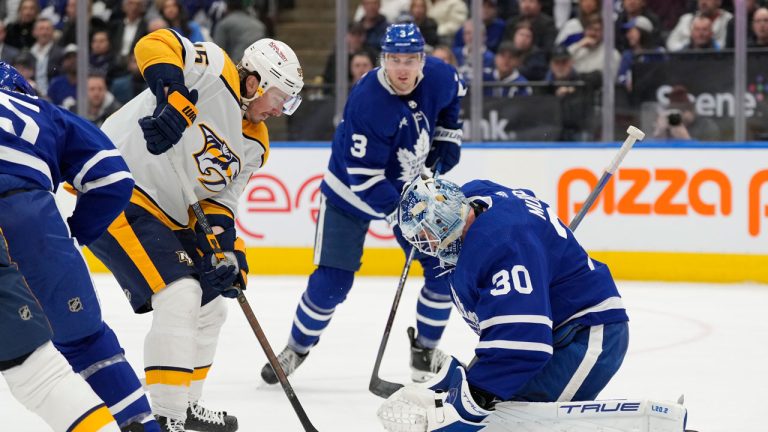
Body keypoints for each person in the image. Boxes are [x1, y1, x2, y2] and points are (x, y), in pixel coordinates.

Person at [89, 29, 304, 432]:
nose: (280, 111)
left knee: (212, 304)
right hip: (115, 186)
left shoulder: (256, 142)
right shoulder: (214, 69)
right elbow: (153, 44)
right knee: (180, 294)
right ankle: (163, 417)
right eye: (280, 99)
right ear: (256, 82)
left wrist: (227, 254)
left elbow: (220, 201)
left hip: (166, 209)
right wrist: (174, 96)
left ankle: (184, 405)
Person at [259, 23, 465, 387]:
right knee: (332, 284)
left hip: (409, 191)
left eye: (411, 59)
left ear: (423, 59)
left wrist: (449, 134)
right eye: (394, 59)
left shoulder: (440, 75)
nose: (402, 69)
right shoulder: (368, 100)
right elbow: (364, 178)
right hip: (349, 195)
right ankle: (296, 348)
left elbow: (454, 97)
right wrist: (402, 217)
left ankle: (425, 351)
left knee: (442, 269)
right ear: (383, 59)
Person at [379, 176, 629, 430]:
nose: (427, 245)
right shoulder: (478, 197)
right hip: (554, 329)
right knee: (505, 415)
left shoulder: (499, 244)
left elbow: (523, 345)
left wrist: (472, 397)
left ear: (444, 220)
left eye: (426, 234)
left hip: (585, 333)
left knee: (520, 424)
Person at [0, 61, 160, 431]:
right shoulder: (43, 112)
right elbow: (116, 179)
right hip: (35, 223)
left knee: (32, 370)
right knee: (85, 343)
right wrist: (75, 233)